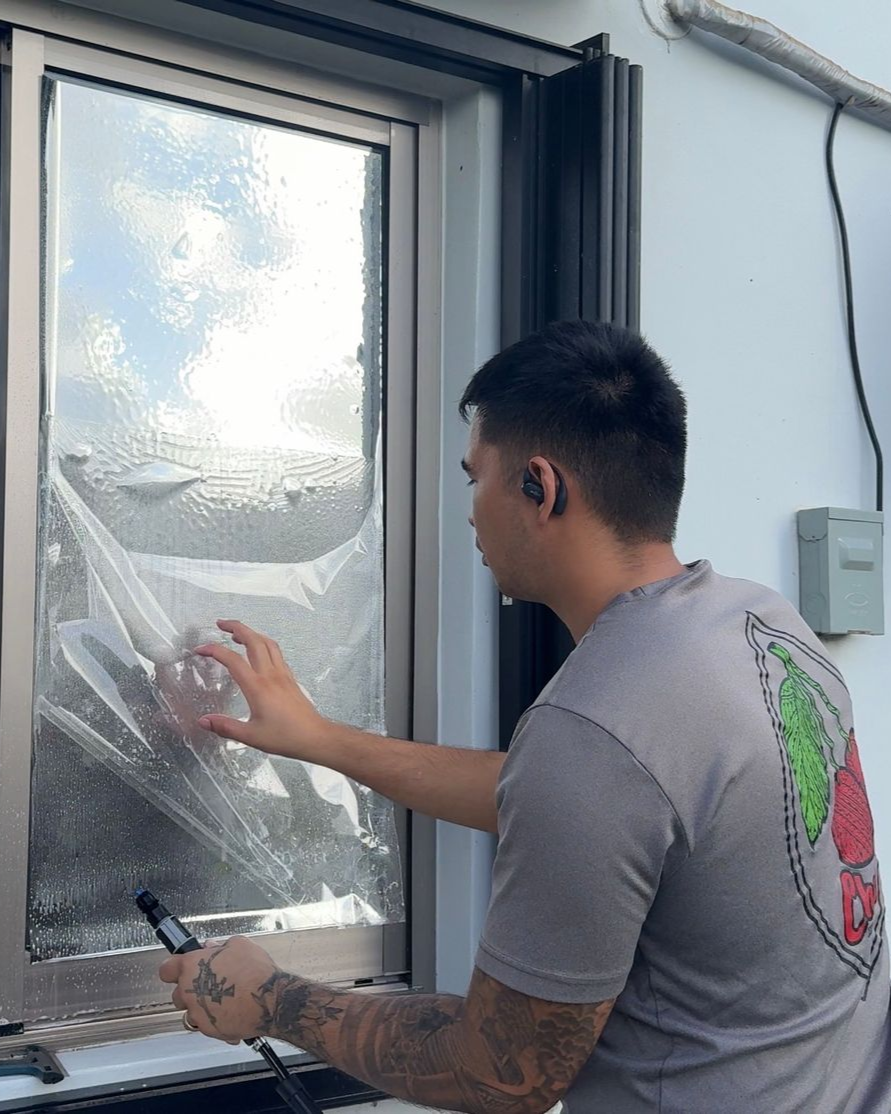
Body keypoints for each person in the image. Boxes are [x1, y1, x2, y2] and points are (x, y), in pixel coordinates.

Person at [160, 321, 891, 1113]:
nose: (469, 511)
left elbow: (501, 1074)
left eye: (476, 476)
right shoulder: (761, 627)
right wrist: (323, 741)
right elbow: (582, 802)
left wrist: (272, 999)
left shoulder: (599, 729)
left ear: (540, 487)